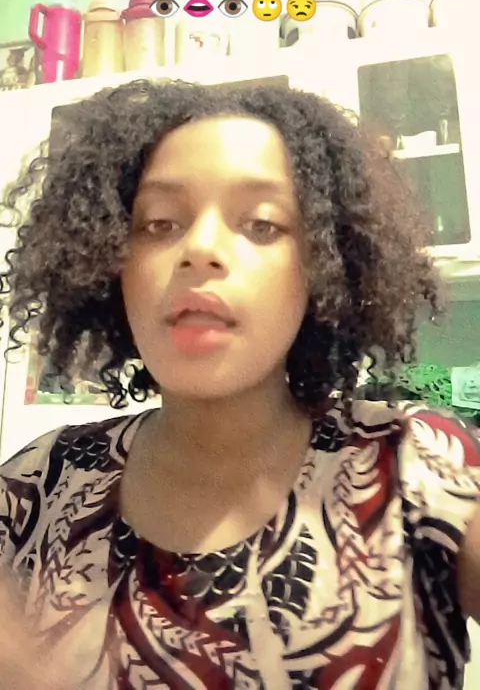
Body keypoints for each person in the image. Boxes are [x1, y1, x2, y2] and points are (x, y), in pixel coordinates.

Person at [0, 79, 479, 690]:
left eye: (261, 224)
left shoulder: (414, 465)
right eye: (159, 223)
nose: (200, 248)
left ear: (322, 265)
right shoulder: (40, 485)